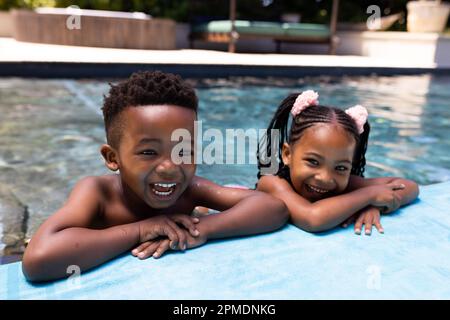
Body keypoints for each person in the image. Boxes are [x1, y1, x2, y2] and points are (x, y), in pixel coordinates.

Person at [22, 71, 288, 282]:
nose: (170, 167)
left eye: (184, 150)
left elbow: (272, 208)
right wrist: (140, 230)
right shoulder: (96, 193)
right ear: (112, 158)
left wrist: (204, 229)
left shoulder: (190, 189)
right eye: (149, 152)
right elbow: (38, 259)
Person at [256, 90, 419, 234]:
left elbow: (409, 185)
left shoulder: (345, 184)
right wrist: (370, 195)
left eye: (341, 167)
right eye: (313, 162)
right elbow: (312, 218)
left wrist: (375, 205)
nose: (326, 178)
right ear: (287, 155)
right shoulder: (272, 183)